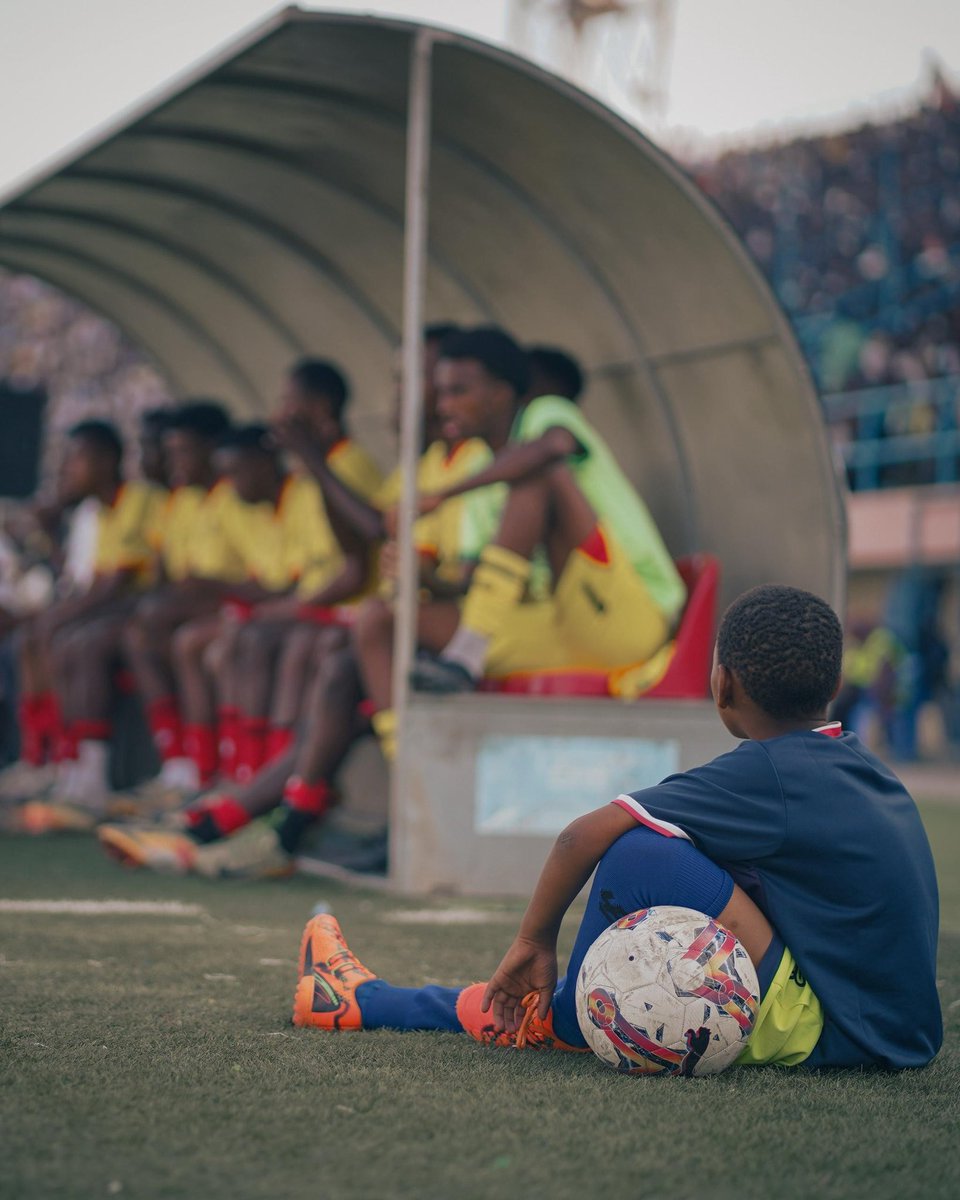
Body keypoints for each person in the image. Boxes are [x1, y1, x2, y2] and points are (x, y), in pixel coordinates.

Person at [289, 585, 942, 1072]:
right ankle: (455, 1002)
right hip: (888, 1031)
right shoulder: (858, 766)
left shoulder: (769, 771)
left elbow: (581, 836)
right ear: (835, 682)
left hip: (832, 1033)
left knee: (639, 855)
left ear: (722, 685)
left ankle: (397, 1004)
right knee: (684, 851)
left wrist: (533, 940)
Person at [410, 327, 686, 693]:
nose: (443, 406)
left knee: (541, 474)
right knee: (389, 619)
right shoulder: (479, 469)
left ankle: (466, 655)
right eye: (441, 392)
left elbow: (554, 446)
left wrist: (443, 495)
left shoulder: (544, 414)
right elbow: (469, 582)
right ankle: (405, 724)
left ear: (500, 394)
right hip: (555, 620)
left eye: (458, 391)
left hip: (628, 613)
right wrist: (423, 577)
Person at [6, 421, 166, 831]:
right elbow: (82, 582)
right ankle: (50, 759)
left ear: (106, 460)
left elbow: (117, 585)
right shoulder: (97, 510)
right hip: (118, 610)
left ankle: (88, 772)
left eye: (75, 458)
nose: (67, 468)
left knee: (74, 640)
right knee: (39, 636)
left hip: (146, 610)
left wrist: (54, 618)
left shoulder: (139, 498)